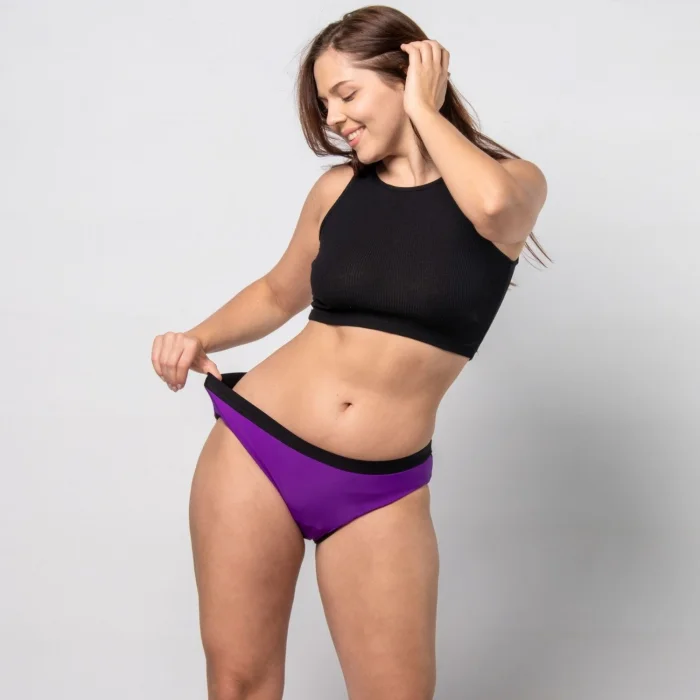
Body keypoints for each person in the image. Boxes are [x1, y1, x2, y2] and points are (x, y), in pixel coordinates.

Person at [151, 7, 550, 700]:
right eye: (324, 102)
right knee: (240, 684)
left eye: (346, 94)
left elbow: (491, 210)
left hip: (380, 487)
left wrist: (425, 111)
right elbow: (279, 292)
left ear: (409, 76)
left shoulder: (513, 180)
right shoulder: (337, 191)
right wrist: (199, 337)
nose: (334, 118)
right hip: (259, 449)